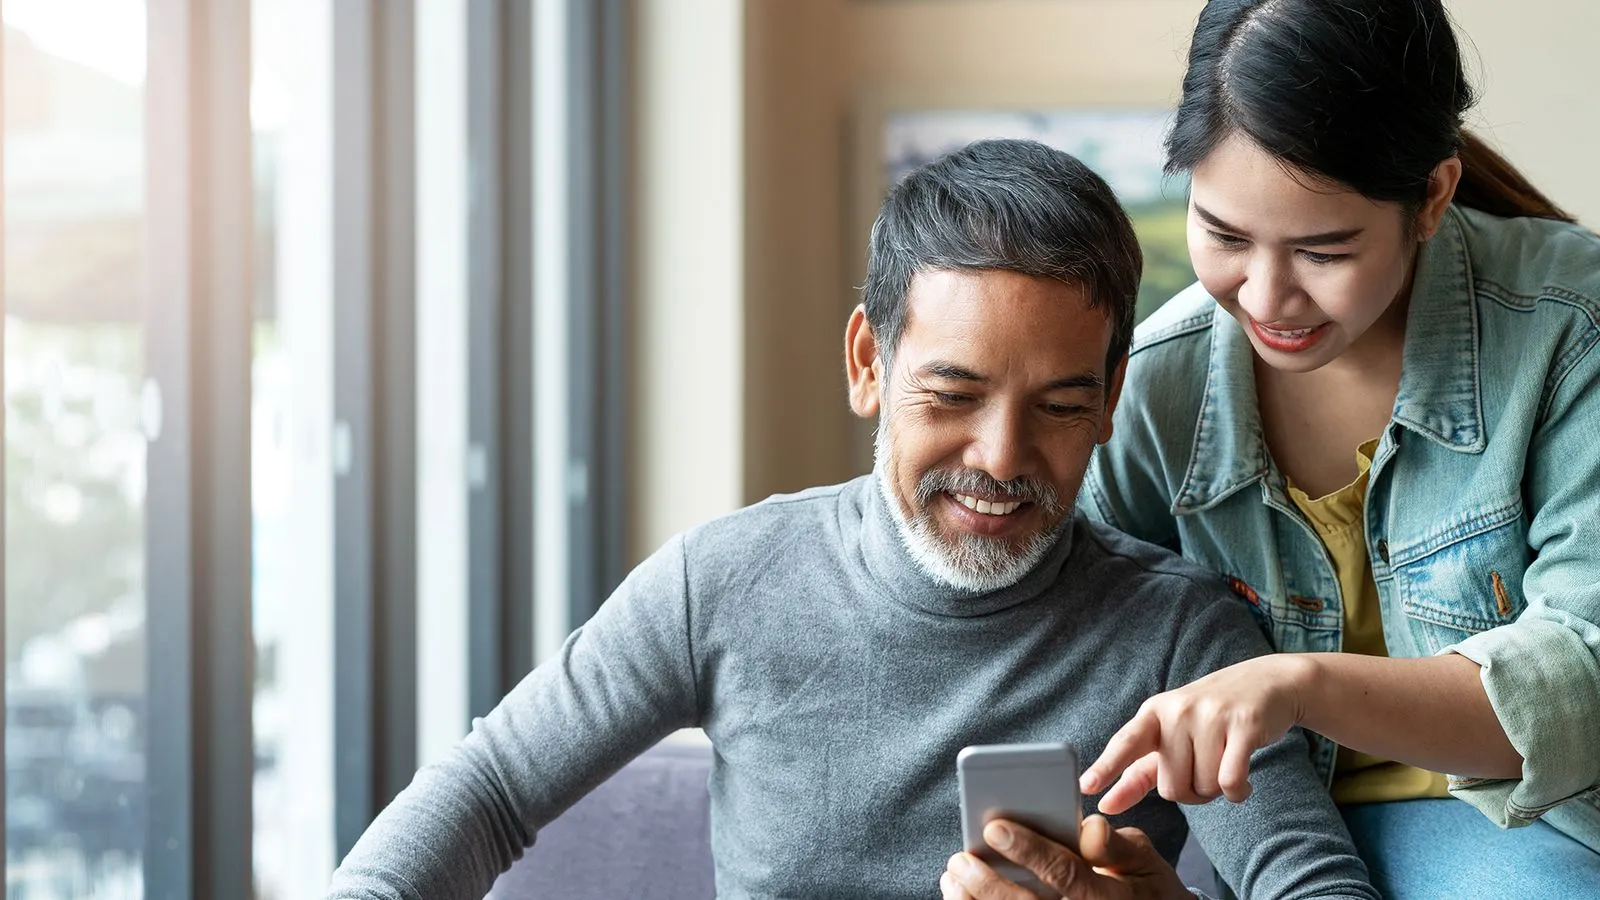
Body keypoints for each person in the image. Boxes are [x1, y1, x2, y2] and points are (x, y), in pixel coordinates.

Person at [326, 140, 1378, 900]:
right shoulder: (723, 583)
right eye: (952, 395)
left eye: (1059, 407)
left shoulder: (1181, 636)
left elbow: (1317, 888)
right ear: (869, 365)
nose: (1000, 459)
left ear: (1110, 402)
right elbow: (492, 789)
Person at [1054, 1, 1600, 897]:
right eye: (1224, 236)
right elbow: (1066, 638)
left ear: (1432, 197)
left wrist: (1300, 685)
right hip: (1268, 828)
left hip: (1522, 818)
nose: (1266, 297)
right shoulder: (1156, 388)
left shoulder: (1570, 331)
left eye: (1323, 251)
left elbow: (1581, 677)